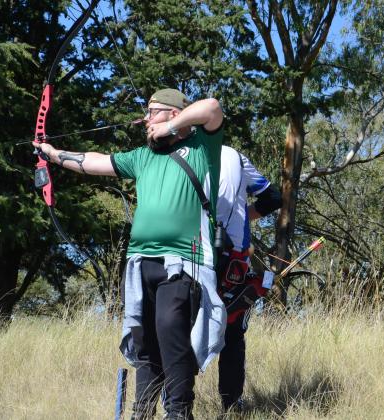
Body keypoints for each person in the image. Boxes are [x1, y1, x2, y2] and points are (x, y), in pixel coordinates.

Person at [33, 88, 226, 419]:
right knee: (145, 341)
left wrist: (169, 127)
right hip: (140, 264)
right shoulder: (142, 156)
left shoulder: (201, 149)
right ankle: (142, 412)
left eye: (152, 113)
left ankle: (179, 413)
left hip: (182, 262)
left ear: (174, 115)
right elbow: (94, 161)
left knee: (169, 329)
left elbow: (212, 108)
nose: (146, 120)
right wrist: (51, 154)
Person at [215, 145, 281, 411]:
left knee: (180, 331)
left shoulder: (176, 154)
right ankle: (231, 407)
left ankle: (176, 408)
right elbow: (272, 198)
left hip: (191, 256)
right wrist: (242, 216)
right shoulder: (235, 157)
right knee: (231, 336)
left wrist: (242, 215)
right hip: (234, 260)